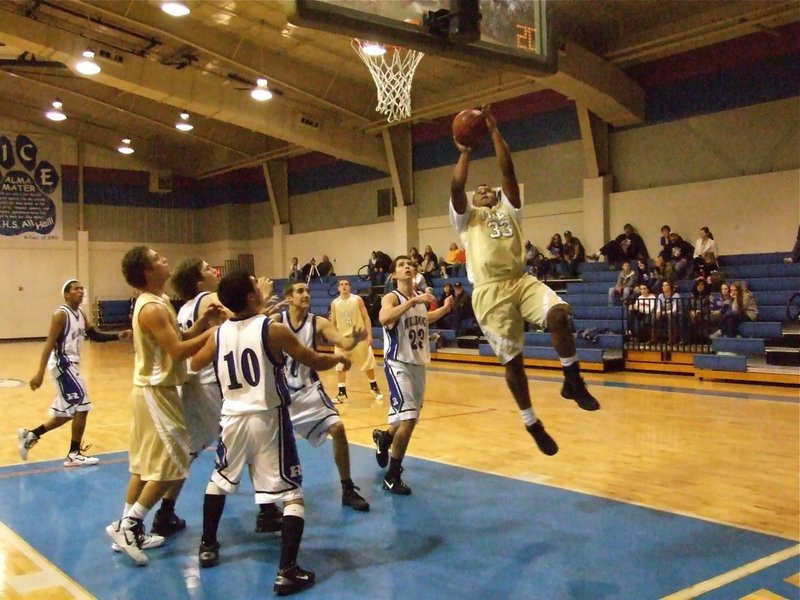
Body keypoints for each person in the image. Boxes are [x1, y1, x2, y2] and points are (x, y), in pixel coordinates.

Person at [449, 105, 600, 457]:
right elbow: (457, 185)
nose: (484, 189)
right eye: (480, 189)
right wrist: (467, 151)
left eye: (489, 189)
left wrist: (494, 130)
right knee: (513, 362)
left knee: (559, 314)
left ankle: (572, 380)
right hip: (488, 292)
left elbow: (507, 169)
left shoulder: (510, 209)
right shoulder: (466, 219)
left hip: (520, 279)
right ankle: (532, 421)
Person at [190, 270, 349, 595]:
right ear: (250, 296)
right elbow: (313, 359)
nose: (261, 288)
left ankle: (208, 545)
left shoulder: (217, 334)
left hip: (232, 417)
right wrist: (339, 359)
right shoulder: (272, 329)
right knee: (291, 493)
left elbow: (194, 364)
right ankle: (287, 570)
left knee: (219, 480)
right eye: (256, 285)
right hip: (268, 418)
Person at [106, 246, 220, 567]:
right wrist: (213, 331)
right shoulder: (151, 308)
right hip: (156, 391)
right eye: (157, 259)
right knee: (176, 460)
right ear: (146, 271)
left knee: (145, 465)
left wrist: (202, 322)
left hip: (154, 390)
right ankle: (131, 526)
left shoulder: (160, 302)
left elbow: (181, 335)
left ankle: (124, 525)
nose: (164, 259)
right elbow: (179, 351)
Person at [262, 280, 370, 513]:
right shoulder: (277, 321)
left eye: (308, 291)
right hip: (282, 394)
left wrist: (355, 338)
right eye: (300, 291)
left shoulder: (318, 322)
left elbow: (343, 342)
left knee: (338, 429)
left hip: (309, 389)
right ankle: (267, 504)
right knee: (268, 447)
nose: (306, 294)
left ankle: (347, 488)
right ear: (288, 297)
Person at [152, 258, 228, 540]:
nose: (215, 271)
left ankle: (164, 511)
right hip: (210, 382)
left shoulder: (183, 307)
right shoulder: (209, 298)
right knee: (244, 442)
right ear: (199, 282)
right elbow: (239, 320)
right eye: (209, 269)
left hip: (191, 382)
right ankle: (268, 510)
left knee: (187, 451)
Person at [20, 279, 131, 467]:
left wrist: (117, 335)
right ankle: (73, 454)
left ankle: (31, 435)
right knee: (83, 406)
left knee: (68, 413)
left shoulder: (80, 313)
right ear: (66, 294)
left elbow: (94, 335)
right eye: (76, 289)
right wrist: (39, 373)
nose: (80, 291)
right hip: (63, 364)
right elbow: (49, 344)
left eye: (82, 289)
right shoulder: (60, 315)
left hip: (72, 366)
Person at [373, 256, 453, 494]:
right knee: (408, 419)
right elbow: (384, 318)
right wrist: (413, 301)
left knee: (406, 420)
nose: (407, 267)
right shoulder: (392, 297)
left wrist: (445, 309)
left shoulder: (418, 298)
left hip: (418, 364)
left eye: (410, 264)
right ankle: (392, 476)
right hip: (398, 363)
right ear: (394, 275)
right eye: (401, 265)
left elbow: (424, 319)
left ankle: (384, 438)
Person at [329, 278, 384, 403]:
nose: (344, 286)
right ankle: (342, 393)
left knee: (368, 365)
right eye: (341, 284)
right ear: (338, 288)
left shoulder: (357, 300)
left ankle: (374, 388)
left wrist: (369, 335)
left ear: (350, 287)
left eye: (346, 284)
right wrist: (334, 337)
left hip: (359, 338)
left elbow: (366, 317)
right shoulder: (334, 303)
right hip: (342, 340)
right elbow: (333, 322)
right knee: (340, 367)